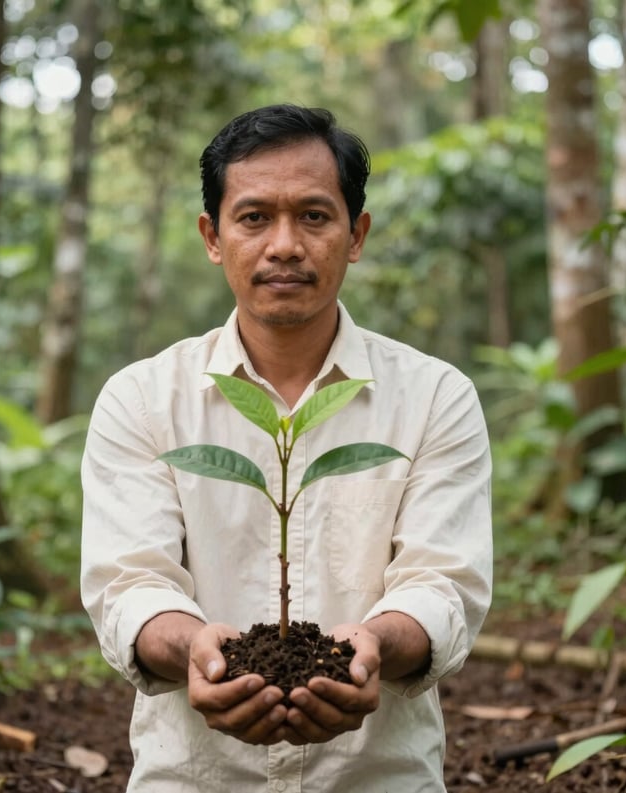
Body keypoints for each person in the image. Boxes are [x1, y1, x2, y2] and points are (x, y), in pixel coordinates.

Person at [81, 103, 493, 792]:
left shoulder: (433, 396)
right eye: (253, 217)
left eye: (313, 215)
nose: (283, 245)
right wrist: (194, 648)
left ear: (355, 234)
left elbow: (442, 582)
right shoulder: (143, 398)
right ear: (212, 236)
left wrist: (373, 646)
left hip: (379, 775)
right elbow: (130, 583)